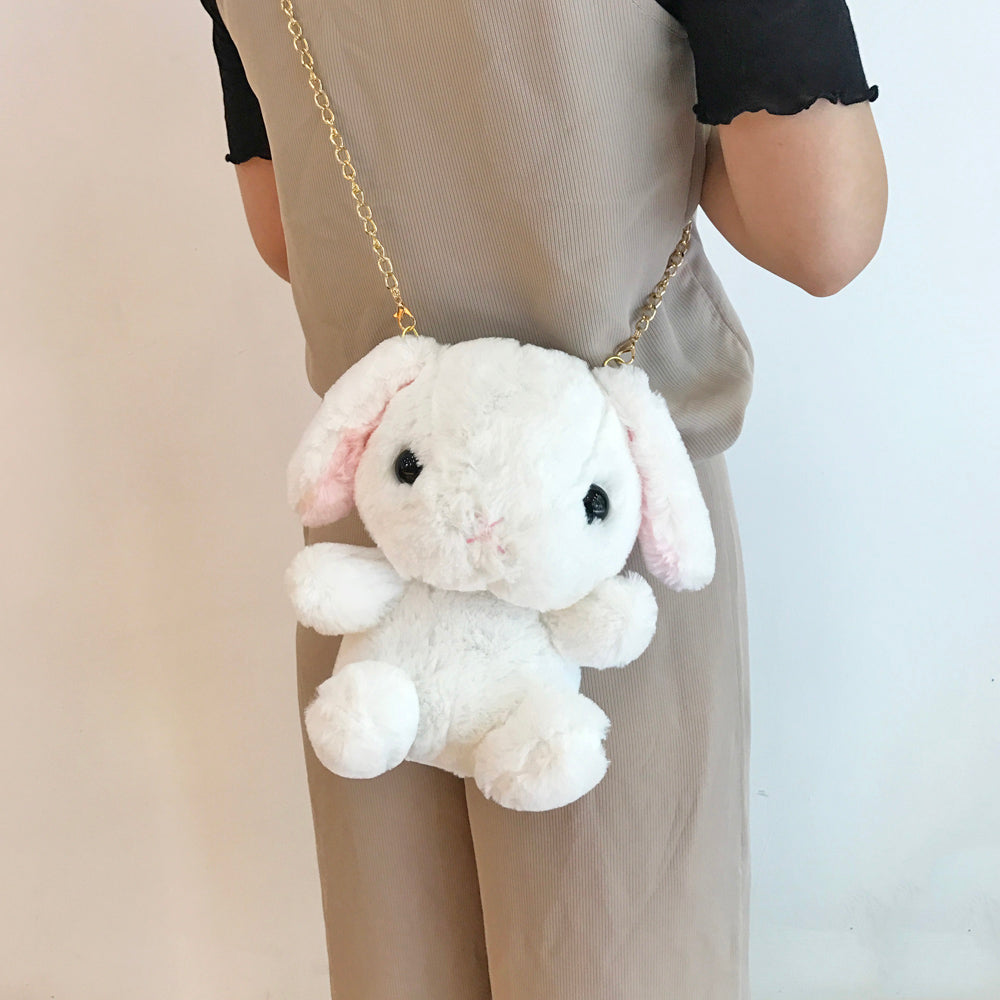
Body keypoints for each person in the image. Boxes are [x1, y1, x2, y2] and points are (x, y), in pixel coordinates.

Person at [198, 2, 887, 997]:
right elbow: (821, 233)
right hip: (600, 533)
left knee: (402, 960)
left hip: (386, 522)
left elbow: (286, 232)